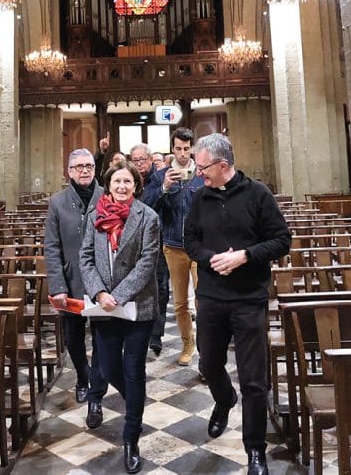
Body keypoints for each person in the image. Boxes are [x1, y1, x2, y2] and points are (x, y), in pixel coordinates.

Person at [184, 133, 291, 475]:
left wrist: (245, 256)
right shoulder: (200, 198)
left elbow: (281, 240)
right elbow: (190, 241)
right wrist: (211, 258)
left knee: (254, 379)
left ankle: (255, 451)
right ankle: (224, 398)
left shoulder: (258, 195)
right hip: (212, 296)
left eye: (202, 167)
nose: (198, 173)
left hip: (248, 298)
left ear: (223, 165)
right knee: (209, 363)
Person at [81, 162, 162, 474]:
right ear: (108, 184)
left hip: (136, 307)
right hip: (104, 307)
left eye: (128, 181)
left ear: (136, 186)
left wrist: (120, 294)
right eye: (117, 181)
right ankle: (135, 404)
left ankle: (131, 437)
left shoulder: (148, 217)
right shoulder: (95, 215)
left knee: (132, 370)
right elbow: (85, 258)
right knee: (109, 365)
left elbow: (147, 262)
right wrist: (101, 293)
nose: (122, 186)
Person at [44, 149, 105, 406]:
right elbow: (52, 247)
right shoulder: (57, 203)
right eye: (78, 166)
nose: (84, 170)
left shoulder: (107, 196)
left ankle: (97, 386)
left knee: (104, 336)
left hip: (102, 283)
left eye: (89, 166)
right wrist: (57, 286)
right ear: (69, 171)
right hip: (70, 282)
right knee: (73, 338)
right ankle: (83, 376)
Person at [143, 127, 205, 367]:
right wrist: (165, 188)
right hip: (172, 245)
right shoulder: (161, 175)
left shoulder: (201, 173)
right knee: (180, 302)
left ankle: (204, 348)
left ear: (192, 149)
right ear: (172, 148)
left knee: (203, 300)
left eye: (186, 149)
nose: (182, 154)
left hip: (199, 246)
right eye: (178, 149)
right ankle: (187, 343)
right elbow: (147, 205)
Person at [129, 143, 171, 356]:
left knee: (160, 287)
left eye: (142, 160)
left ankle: (156, 334)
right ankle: (139, 329)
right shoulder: (129, 179)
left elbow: (149, 203)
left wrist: (163, 189)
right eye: (135, 161)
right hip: (134, 243)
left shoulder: (159, 178)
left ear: (150, 159)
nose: (139, 164)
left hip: (159, 239)